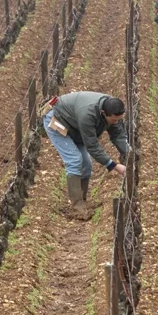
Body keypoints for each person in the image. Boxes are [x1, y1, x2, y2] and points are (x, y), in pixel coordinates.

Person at [42, 91, 130, 219]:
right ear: (104, 113)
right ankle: (77, 207)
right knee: (74, 160)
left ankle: (82, 200)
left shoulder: (113, 108)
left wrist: (129, 154)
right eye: (114, 120)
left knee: (86, 165)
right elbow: (92, 146)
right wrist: (114, 166)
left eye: (119, 120)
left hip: (75, 126)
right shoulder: (87, 115)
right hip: (57, 120)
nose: (116, 122)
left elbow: (118, 135)